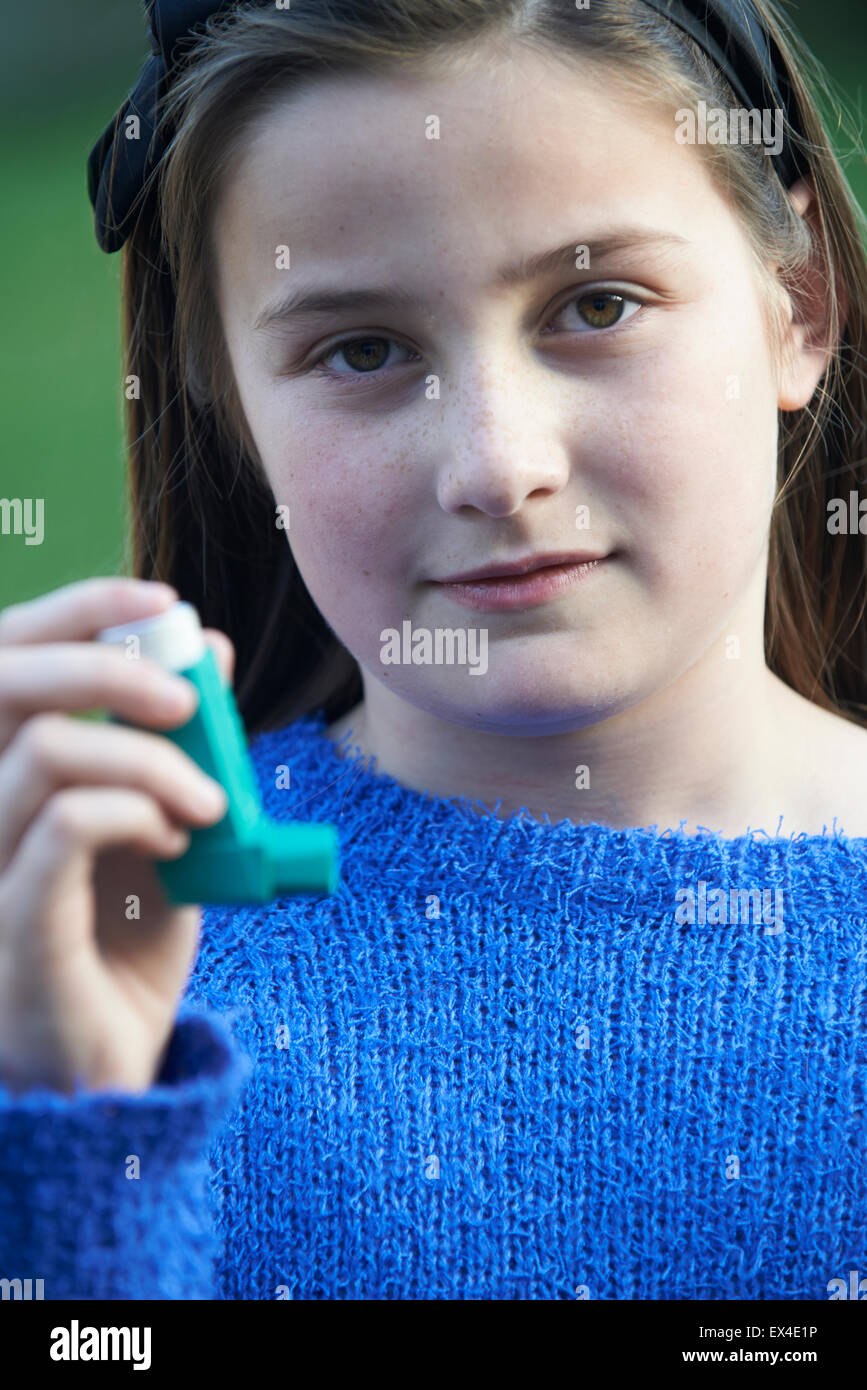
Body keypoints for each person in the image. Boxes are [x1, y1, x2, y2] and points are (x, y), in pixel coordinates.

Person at [1, 0, 866, 1299]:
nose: (497, 463)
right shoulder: (118, 956)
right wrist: (74, 1132)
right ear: (228, 402)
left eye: (597, 302)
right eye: (363, 348)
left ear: (798, 299)